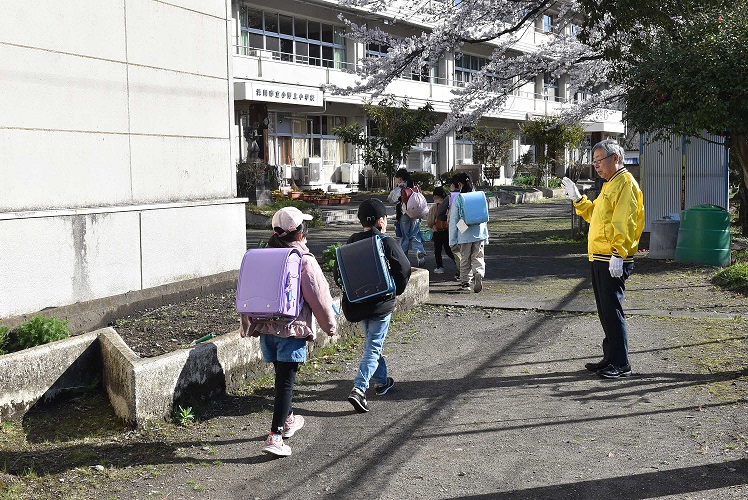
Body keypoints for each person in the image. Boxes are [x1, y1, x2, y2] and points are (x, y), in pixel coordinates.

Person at [239, 207, 337, 456]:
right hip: (291, 330)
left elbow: (247, 292)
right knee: (285, 382)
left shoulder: (262, 256)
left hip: (265, 328)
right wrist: (330, 327)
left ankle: (290, 418)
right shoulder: (304, 260)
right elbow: (320, 298)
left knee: (281, 379)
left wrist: (247, 325)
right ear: (301, 232)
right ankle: (275, 436)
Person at [561, 139, 644, 379]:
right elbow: (595, 214)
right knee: (605, 311)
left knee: (612, 310)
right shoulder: (611, 183)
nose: (596, 165)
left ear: (615, 158)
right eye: (594, 161)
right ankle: (611, 357)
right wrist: (578, 199)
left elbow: (626, 221)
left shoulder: (625, 183)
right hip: (601, 256)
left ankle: (621, 362)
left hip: (612, 257)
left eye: (600, 160)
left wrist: (619, 252)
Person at [339, 198, 411, 413]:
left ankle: (381, 382)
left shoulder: (351, 241)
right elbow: (404, 268)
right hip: (381, 304)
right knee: (373, 347)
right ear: (381, 220)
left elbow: (339, 273)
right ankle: (359, 389)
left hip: (359, 304)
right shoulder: (386, 242)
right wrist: (395, 290)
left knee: (372, 344)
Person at [448, 172, 489, 293]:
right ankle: (478, 273)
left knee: (465, 259)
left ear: (460, 184)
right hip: (479, 233)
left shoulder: (459, 199)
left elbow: (454, 220)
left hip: (464, 234)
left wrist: (452, 240)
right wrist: (485, 236)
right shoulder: (479, 196)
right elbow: (485, 217)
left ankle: (465, 282)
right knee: (478, 256)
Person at [388, 168, 427, 267]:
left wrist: (395, 189)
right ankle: (419, 251)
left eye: (397, 179)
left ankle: (403, 259)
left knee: (405, 237)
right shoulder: (414, 187)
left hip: (404, 215)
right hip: (415, 214)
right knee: (414, 235)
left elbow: (391, 199)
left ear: (400, 179)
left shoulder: (400, 189)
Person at [426, 186, 455, 274]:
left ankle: (440, 267)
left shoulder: (434, 207)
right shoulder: (450, 205)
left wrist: (431, 227)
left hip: (437, 232)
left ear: (436, 196)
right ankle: (459, 264)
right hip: (448, 231)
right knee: (449, 250)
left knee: (437, 251)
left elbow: (430, 222)